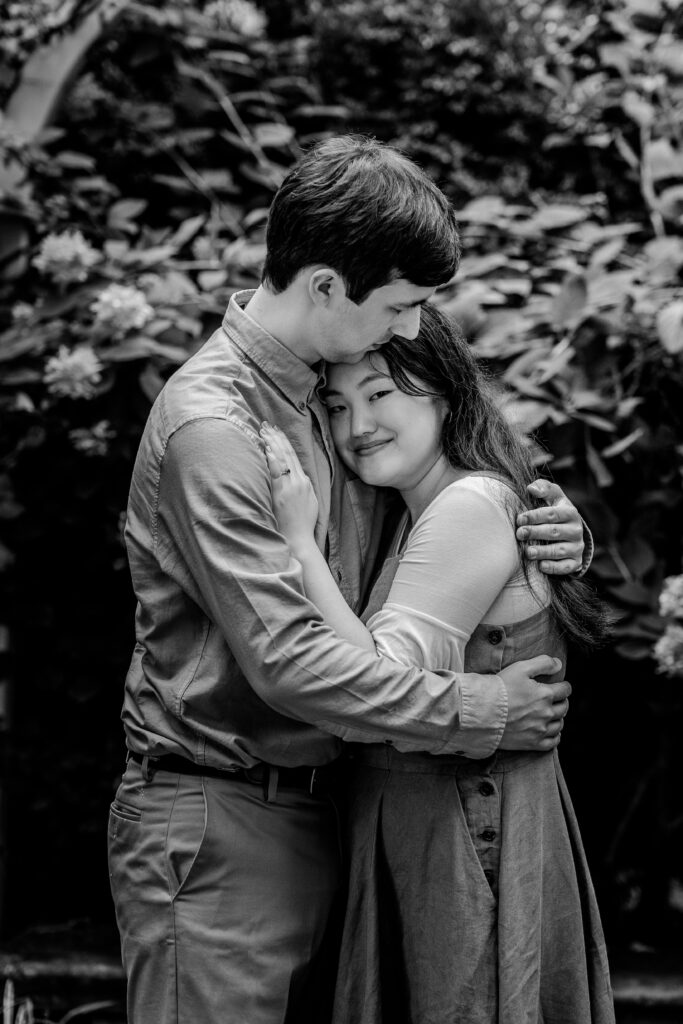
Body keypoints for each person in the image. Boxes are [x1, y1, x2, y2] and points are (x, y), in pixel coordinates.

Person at [108, 136, 588, 1024]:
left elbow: (432, 505)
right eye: (401, 305)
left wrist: (541, 535)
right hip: (225, 828)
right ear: (326, 285)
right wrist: (486, 712)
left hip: (345, 813)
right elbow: (291, 664)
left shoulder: (326, 390)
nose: (411, 331)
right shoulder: (215, 428)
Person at [260, 302, 614, 1024]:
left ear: (445, 391)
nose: (358, 426)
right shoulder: (412, 508)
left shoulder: (466, 505)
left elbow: (374, 680)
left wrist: (297, 543)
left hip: (462, 840)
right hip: (429, 832)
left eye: (381, 393)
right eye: (337, 405)